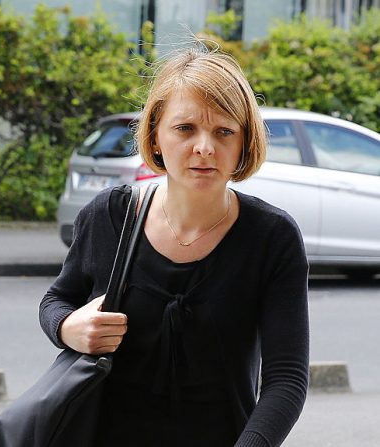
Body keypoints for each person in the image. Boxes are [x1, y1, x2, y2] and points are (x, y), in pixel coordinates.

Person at [40, 48, 309, 446]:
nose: (205, 147)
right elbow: (56, 300)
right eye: (185, 128)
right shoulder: (110, 217)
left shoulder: (272, 237)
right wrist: (68, 328)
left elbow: (286, 379)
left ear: (243, 143)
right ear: (155, 136)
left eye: (224, 131)